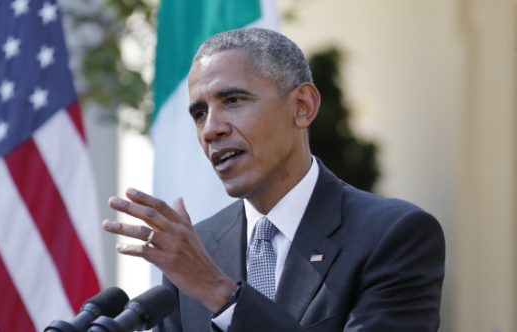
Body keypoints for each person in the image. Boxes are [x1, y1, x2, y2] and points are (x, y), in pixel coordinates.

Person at [102, 28, 445, 331]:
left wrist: (220, 293)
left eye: (233, 100)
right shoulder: (199, 247)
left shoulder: (394, 235)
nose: (211, 129)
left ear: (302, 106)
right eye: (199, 113)